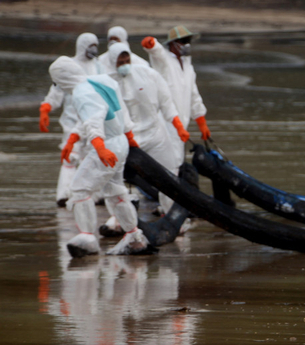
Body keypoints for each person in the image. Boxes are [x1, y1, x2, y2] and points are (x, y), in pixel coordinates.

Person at [48, 56, 152, 258]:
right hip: (119, 141)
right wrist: (129, 137)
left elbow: (93, 119)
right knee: (115, 191)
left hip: (107, 145)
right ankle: (134, 238)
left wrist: (100, 147)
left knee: (79, 188)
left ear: (62, 78)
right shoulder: (100, 80)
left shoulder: (81, 93)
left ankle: (87, 238)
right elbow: (119, 109)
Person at [104, 42, 190, 226]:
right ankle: (118, 219)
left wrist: (178, 127)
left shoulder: (147, 74)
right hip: (126, 139)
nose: (125, 64)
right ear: (112, 62)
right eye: (120, 62)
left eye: (127, 60)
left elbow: (167, 103)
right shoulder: (106, 83)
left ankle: (172, 216)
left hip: (155, 135)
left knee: (169, 174)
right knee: (115, 178)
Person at [40, 33, 102, 206]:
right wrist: (46, 108)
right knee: (69, 156)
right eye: (90, 45)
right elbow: (57, 91)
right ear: (82, 46)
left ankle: (93, 194)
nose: (94, 49)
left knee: (91, 156)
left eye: (95, 45)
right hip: (71, 119)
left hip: (91, 118)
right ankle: (64, 195)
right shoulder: (69, 66)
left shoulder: (98, 66)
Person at [141, 25, 211, 175]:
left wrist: (202, 123)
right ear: (173, 43)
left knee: (177, 159)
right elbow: (156, 51)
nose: (187, 44)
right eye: (183, 41)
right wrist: (150, 43)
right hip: (166, 120)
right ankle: (165, 190)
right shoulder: (165, 61)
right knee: (168, 159)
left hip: (182, 123)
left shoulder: (188, 67)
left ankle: (172, 191)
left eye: (188, 41)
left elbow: (194, 96)